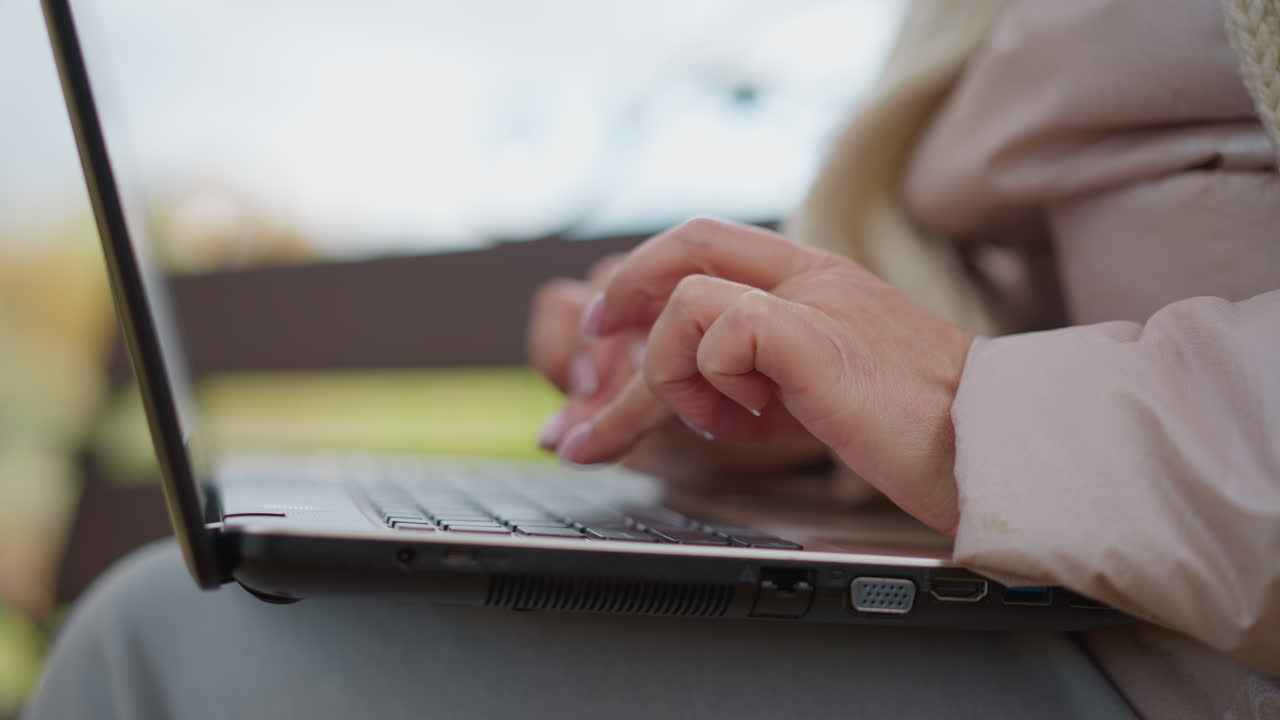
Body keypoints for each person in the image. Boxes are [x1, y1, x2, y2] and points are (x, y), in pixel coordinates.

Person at [22, 0, 1280, 718]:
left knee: (188, 649)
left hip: (1182, 657)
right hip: (1091, 577)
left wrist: (981, 418)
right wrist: (817, 415)